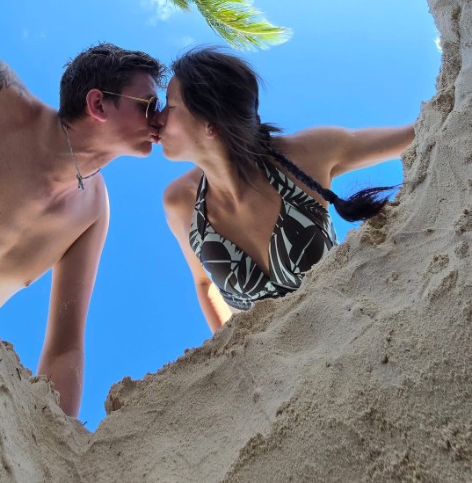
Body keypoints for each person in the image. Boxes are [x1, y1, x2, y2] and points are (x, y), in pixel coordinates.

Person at [0, 3, 164, 415]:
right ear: (98, 104)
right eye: (148, 105)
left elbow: (65, 346)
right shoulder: (2, 101)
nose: (160, 119)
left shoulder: (93, 211)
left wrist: (58, 439)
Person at [159, 47, 415, 333]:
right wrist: (229, 350)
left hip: (354, 329)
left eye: (170, 106)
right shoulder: (180, 202)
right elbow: (203, 283)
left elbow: (416, 133)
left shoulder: (305, 154)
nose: (157, 119)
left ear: (210, 123)